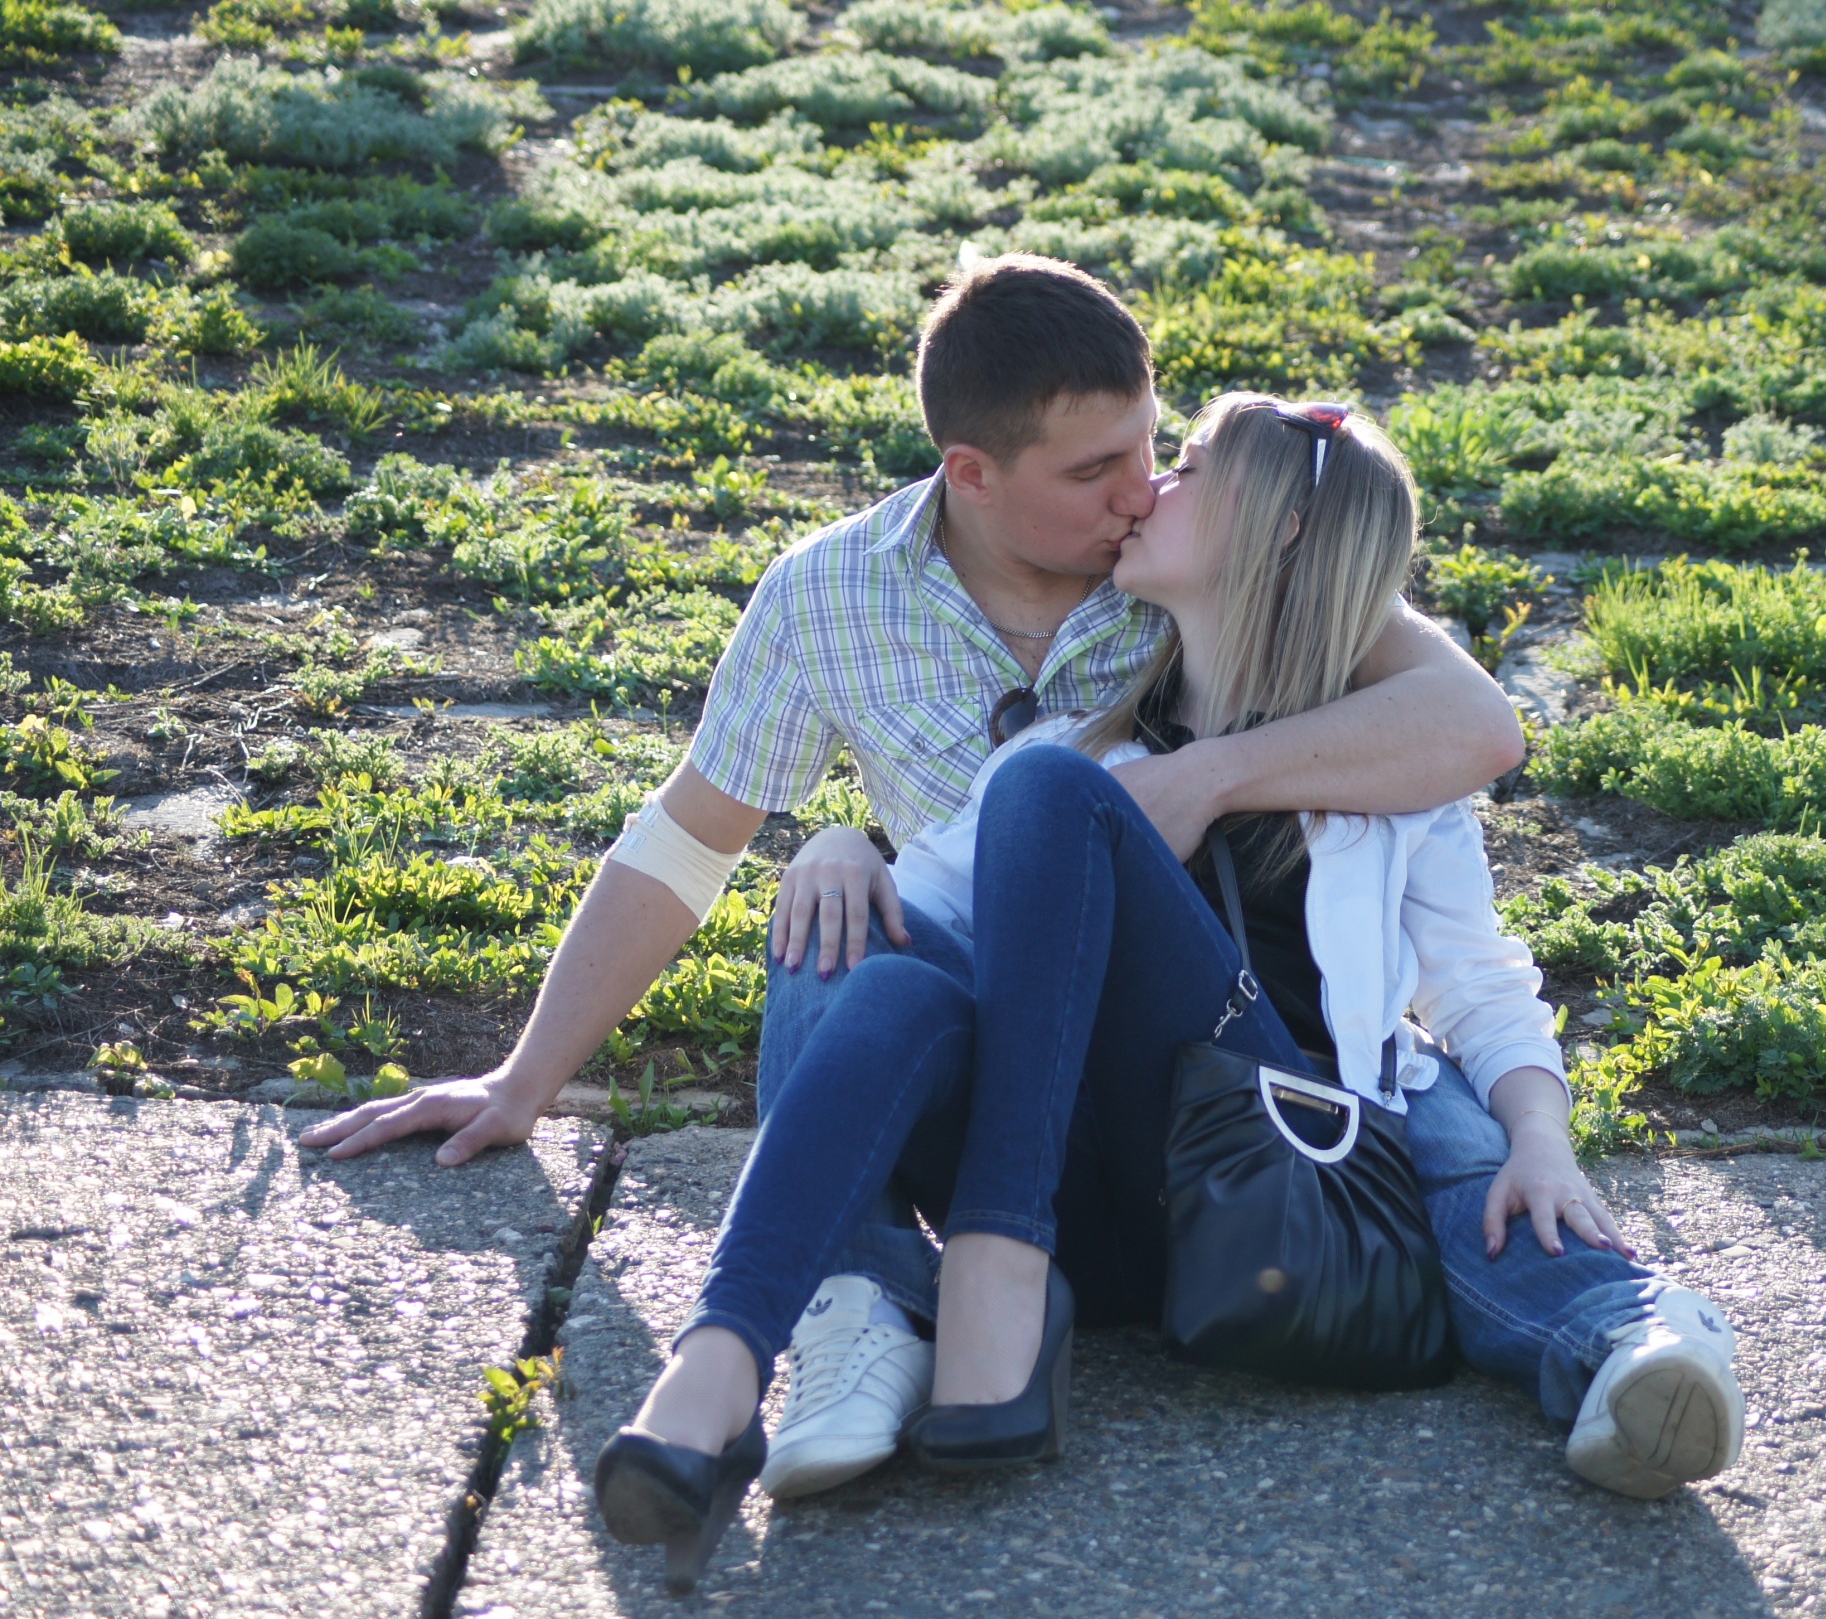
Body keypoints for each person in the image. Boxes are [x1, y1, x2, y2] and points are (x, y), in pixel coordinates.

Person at [296, 255, 1529, 1505]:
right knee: (837, 938)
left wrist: (1206, 776)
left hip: (1169, 1077)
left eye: (1150, 447)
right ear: (971, 474)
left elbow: (1472, 721)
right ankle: (827, 1319)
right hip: (968, 1036)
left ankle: (975, 1276)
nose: (1138, 490)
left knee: (1040, 798)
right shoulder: (830, 595)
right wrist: (523, 1079)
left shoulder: (1195, 558)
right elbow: (684, 843)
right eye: (1092, 472)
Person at [589, 393, 1744, 1590]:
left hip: (1274, 1177)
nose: (1151, 489)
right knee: (865, 962)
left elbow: (1479, 985)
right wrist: (840, 848)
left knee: (1468, 1180)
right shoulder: (1078, 748)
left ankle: (1626, 1338)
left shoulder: (1380, 766)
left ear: (1279, 529)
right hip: (1091, 1212)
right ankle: (725, 1363)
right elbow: (915, 930)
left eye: (1187, 468)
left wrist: (1541, 1138)